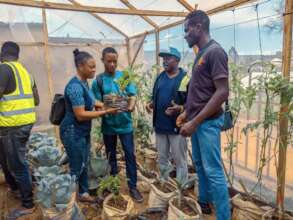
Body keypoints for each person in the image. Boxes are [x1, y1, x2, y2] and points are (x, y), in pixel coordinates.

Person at [177, 10, 231, 220]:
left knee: (213, 171)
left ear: (198, 27)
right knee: (200, 165)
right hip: (198, 122)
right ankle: (204, 202)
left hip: (207, 124)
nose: (185, 34)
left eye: (186, 29)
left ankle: (224, 216)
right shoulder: (201, 53)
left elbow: (222, 92)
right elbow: (199, 92)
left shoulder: (215, 52)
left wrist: (195, 121)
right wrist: (186, 113)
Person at [60, 49, 117, 203]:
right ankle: (68, 201)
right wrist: (104, 112)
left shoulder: (84, 83)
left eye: (94, 67)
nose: (94, 70)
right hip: (72, 132)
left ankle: (84, 193)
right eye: (91, 67)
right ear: (80, 66)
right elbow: (81, 114)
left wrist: (109, 105)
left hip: (82, 131)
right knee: (76, 167)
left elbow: (93, 102)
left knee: (84, 163)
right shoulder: (75, 87)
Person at [91, 47, 143, 203]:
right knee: (111, 155)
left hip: (125, 124)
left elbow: (132, 95)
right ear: (103, 61)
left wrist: (132, 105)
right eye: (109, 61)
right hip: (109, 126)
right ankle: (113, 185)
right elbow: (96, 101)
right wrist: (106, 108)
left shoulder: (124, 76)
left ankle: (133, 186)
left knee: (130, 155)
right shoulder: (99, 81)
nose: (112, 64)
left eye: (115, 61)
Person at [0, 41, 39, 218]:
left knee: (18, 164)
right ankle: (16, 188)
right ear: (17, 55)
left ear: (2, 54)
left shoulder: (4, 69)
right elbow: (36, 100)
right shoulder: (26, 73)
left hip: (12, 125)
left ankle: (28, 203)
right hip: (25, 123)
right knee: (10, 160)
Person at [146, 47, 189, 181]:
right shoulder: (160, 77)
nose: (164, 61)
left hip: (177, 128)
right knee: (162, 158)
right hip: (160, 126)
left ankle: (180, 190)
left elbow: (192, 104)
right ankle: (164, 183)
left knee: (179, 160)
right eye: (163, 58)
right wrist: (150, 104)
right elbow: (154, 97)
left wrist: (180, 108)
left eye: (168, 58)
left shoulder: (185, 79)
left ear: (177, 60)